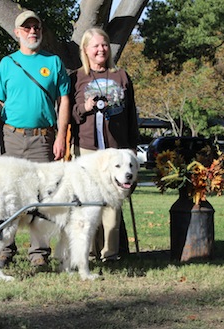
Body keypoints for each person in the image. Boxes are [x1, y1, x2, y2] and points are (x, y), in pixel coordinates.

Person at [0, 10, 71, 267]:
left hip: (43, 139)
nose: (32, 31)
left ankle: (39, 253)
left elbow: (64, 101)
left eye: (36, 27)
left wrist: (61, 136)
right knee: (9, 194)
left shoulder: (54, 62)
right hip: (12, 137)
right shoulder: (7, 63)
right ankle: (5, 248)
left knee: (43, 196)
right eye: (26, 28)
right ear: (17, 32)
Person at [70, 27, 139, 262]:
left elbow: (131, 114)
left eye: (104, 45)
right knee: (86, 201)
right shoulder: (77, 77)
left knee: (113, 204)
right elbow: (70, 114)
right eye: (96, 46)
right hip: (86, 149)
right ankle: (87, 252)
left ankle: (111, 253)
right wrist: (84, 108)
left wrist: (131, 146)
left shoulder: (120, 76)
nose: (101, 49)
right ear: (86, 50)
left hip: (116, 151)